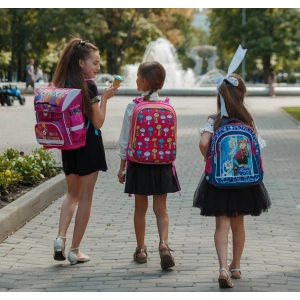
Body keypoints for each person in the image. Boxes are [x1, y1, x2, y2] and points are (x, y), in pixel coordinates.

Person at [193, 72, 271, 288]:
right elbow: (256, 148)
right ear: (241, 95)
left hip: (219, 180)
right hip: (244, 181)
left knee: (222, 225)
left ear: (220, 97)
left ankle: (222, 268)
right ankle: (235, 265)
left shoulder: (214, 120)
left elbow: (203, 143)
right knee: (239, 224)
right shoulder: (247, 120)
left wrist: (211, 159)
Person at [52, 37, 119, 265]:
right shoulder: (88, 85)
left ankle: (60, 239)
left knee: (71, 194)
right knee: (86, 197)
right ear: (81, 62)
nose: (98, 67)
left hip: (68, 146)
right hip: (88, 145)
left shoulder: (63, 82)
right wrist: (106, 99)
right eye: (95, 62)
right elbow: (98, 122)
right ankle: (74, 250)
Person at [117, 61, 181, 270]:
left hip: (139, 163)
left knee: (140, 209)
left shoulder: (133, 106)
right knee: (161, 209)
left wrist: (122, 166)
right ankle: (163, 243)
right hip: (162, 163)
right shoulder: (168, 107)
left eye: (137, 77)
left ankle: (141, 249)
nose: (135, 80)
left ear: (144, 81)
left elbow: (125, 139)